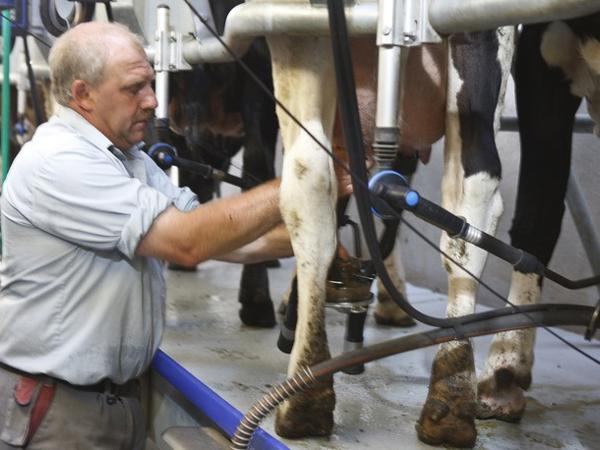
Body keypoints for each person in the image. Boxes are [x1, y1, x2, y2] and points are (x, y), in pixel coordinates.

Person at [0, 21, 353, 449]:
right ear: (83, 94)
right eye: (134, 88)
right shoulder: (59, 162)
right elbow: (187, 242)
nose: (152, 100)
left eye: (151, 83)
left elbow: (228, 240)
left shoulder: (130, 160)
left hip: (118, 401)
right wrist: (303, 176)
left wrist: (315, 236)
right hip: (59, 411)